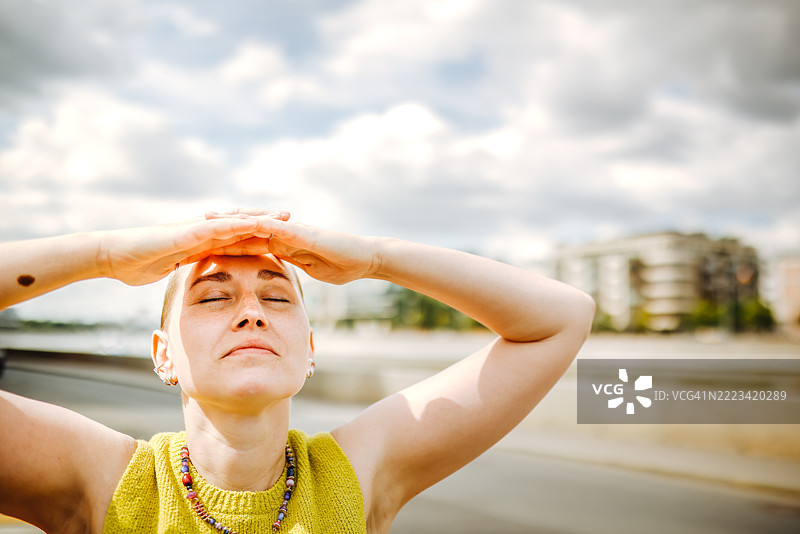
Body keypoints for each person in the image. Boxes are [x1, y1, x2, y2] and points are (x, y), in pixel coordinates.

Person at [0, 209, 595, 534]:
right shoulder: (105, 480)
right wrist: (105, 255)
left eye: (278, 297)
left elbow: (562, 318)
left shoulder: (354, 476)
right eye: (213, 297)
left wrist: (376, 257)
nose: (252, 313)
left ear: (309, 350)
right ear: (163, 354)